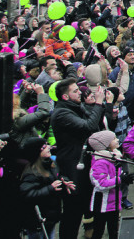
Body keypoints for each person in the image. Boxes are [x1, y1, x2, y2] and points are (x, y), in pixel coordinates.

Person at [51, 78, 108, 239]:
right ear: (65, 97)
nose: (79, 93)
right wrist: (97, 103)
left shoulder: (76, 106)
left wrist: (102, 106)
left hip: (85, 163)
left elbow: (95, 126)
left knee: (89, 206)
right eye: (75, 91)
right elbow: (88, 126)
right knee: (72, 213)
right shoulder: (62, 113)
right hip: (72, 166)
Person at [20, 137, 73, 239]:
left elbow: (58, 176)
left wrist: (63, 181)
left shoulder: (50, 163)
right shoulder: (31, 173)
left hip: (50, 217)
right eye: (44, 147)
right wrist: (50, 189)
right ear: (36, 152)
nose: (48, 147)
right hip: (37, 221)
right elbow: (27, 194)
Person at [87, 130, 123, 239]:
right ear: (105, 145)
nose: (117, 140)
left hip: (113, 202)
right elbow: (101, 184)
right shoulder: (100, 162)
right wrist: (120, 179)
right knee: (99, 230)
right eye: (113, 139)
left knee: (114, 231)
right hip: (102, 204)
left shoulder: (114, 157)